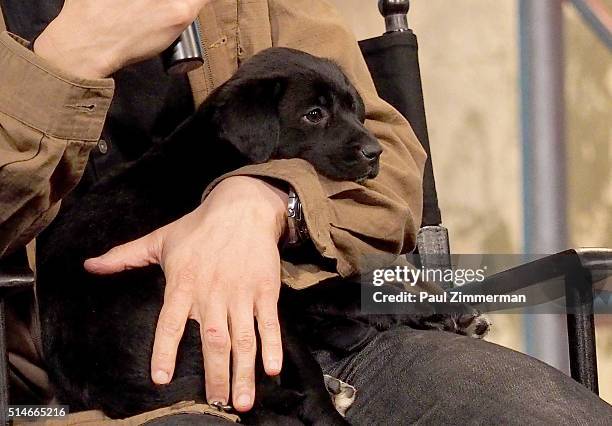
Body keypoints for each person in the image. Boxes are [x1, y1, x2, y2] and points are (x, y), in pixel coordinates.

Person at [1, 0, 611, 424]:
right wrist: (64, 63)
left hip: (324, 320)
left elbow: (392, 161)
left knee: (538, 412)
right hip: (76, 387)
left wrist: (268, 199)